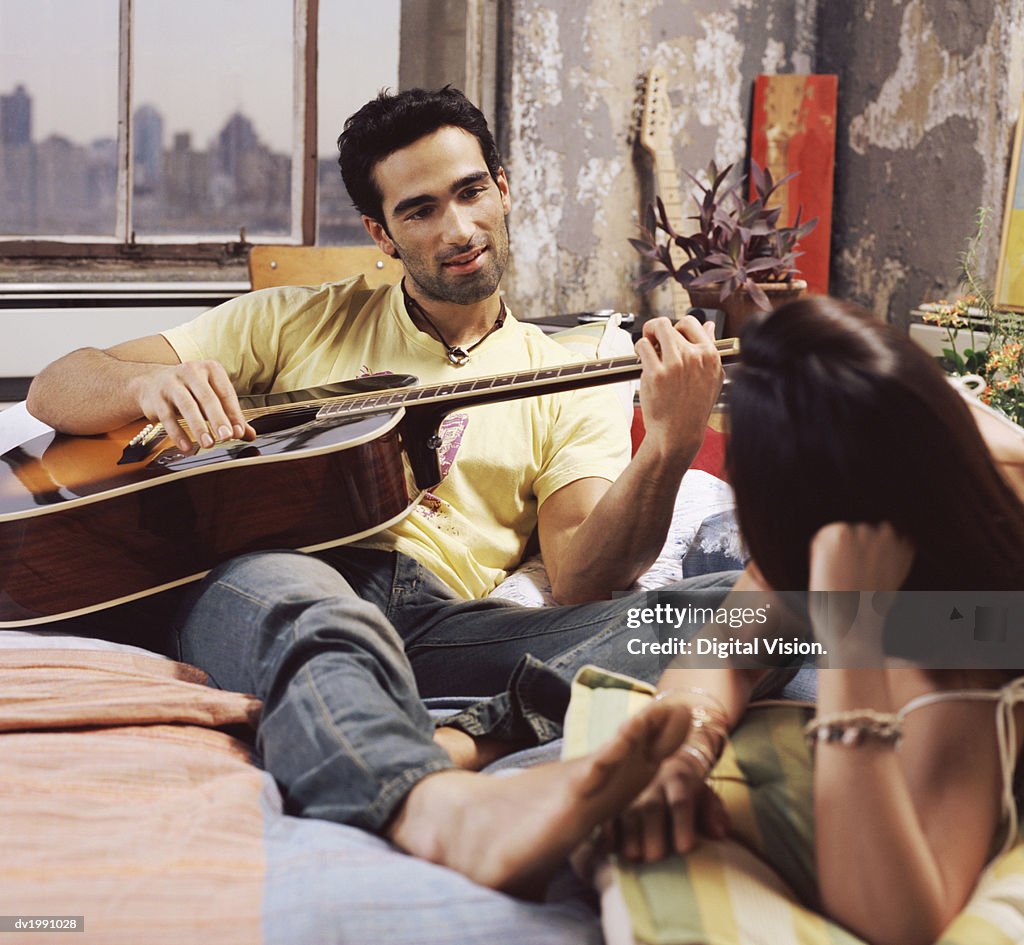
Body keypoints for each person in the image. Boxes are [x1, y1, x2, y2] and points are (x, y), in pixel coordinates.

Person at [26, 87, 735, 895]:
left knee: (753, 610)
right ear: (381, 232)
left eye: (471, 192)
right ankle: (440, 808)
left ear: (503, 187)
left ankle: (472, 737)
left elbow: (582, 577)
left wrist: (671, 444)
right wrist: (149, 385)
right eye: (421, 209)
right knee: (311, 610)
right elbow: (57, 387)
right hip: (278, 573)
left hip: (438, 621)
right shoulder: (295, 321)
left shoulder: (565, 371)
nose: (459, 230)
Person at [593, 296, 1024, 945]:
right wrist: (690, 743)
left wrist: (851, 632)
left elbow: (897, 918)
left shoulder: (971, 607)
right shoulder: (887, 449)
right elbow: (726, 649)